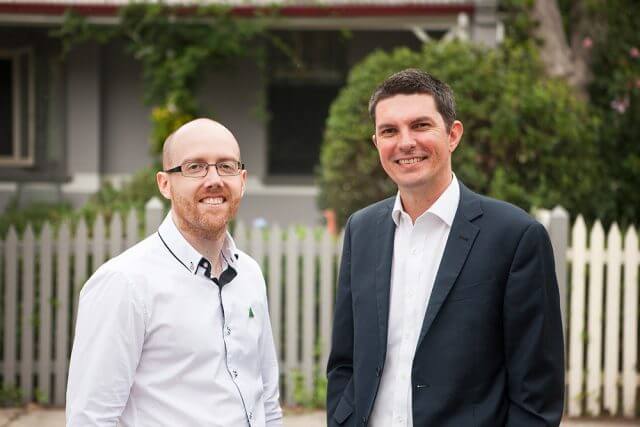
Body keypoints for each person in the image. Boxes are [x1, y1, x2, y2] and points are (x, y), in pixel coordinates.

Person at [326, 69, 564, 426]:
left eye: (421, 125)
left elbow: (536, 392)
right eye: (389, 131)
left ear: (453, 135)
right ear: (377, 142)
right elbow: (346, 360)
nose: (405, 142)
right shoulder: (362, 230)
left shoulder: (515, 237)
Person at [66, 118, 283, 427]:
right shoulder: (124, 283)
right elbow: (90, 418)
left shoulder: (249, 273)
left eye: (226, 166)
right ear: (165, 184)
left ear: (243, 180)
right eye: (195, 167)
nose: (214, 179)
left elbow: (267, 401)